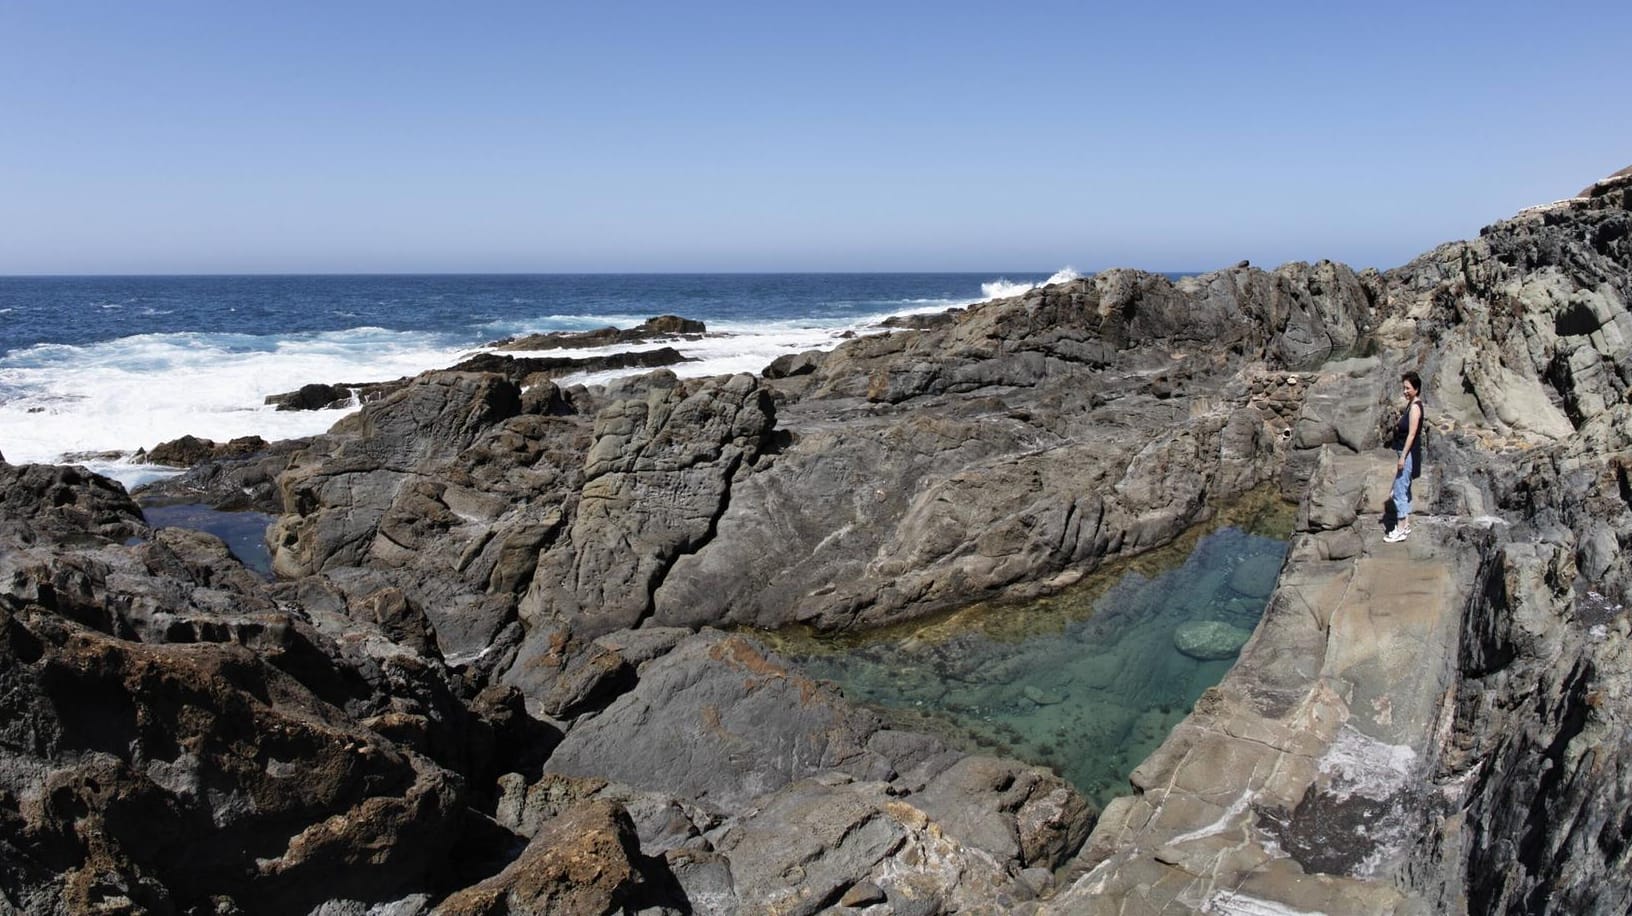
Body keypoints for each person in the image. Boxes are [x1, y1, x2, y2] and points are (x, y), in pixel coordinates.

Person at [1384, 371, 1425, 543]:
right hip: (1404, 453)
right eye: (1404, 388)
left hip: (1407, 454)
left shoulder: (1415, 407)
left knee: (1399, 492)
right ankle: (1405, 524)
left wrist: (1403, 458)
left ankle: (1400, 529)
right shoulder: (1411, 404)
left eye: (1408, 388)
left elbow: (1412, 434)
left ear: (1416, 388)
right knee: (1403, 490)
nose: (1405, 391)